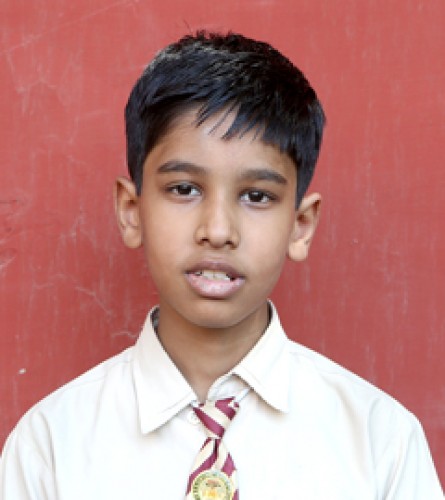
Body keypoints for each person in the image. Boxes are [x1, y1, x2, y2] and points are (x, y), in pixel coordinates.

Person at [0, 31, 443, 499]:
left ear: (301, 225)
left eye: (257, 196)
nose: (217, 229)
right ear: (132, 211)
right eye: (184, 189)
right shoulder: (51, 447)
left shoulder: (379, 443)